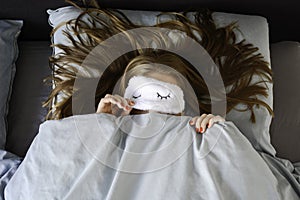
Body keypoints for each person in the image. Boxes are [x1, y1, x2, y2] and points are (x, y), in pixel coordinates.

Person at [96, 54, 225, 134]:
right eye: (141, 100)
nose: (152, 115)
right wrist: (100, 125)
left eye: (165, 99)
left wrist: (220, 135)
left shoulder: (196, 138)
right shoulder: (109, 132)